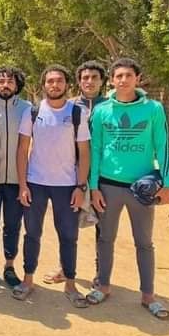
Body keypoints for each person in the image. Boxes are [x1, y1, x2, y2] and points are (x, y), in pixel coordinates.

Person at [87, 58, 169, 320]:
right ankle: (103, 286)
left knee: (144, 243)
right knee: (105, 239)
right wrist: (94, 187)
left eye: (128, 75)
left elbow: (163, 146)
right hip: (108, 186)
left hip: (141, 190)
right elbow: (95, 149)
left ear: (138, 78)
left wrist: (168, 184)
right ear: (112, 80)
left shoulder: (153, 109)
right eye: (118, 76)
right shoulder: (101, 110)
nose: (123, 80)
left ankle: (148, 296)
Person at [14, 64, 90, 308]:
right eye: (50, 81)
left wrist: (81, 187)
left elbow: (84, 152)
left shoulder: (77, 113)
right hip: (35, 183)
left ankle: (70, 284)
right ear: (43, 85)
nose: (54, 85)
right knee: (32, 234)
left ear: (67, 84)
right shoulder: (33, 112)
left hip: (67, 186)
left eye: (59, 81)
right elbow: (23, 149)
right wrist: (23, 185)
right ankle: (28, 280)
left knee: (68, 236)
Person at [43, 60, 107, 286]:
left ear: (102, 81)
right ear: (78, 82)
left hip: (103, 175)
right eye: (85, 78)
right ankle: (65, 268)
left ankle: (101, 274)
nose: (89, 81)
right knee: (67, 225)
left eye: (94, 77)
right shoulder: (69, 106)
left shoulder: (111, 107)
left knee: (103, 227)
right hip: (72, 174)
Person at [0, 66, 31, 289]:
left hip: (16, 180)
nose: (5, 85)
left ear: (17, 85)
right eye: (1, 81)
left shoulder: (27, 109)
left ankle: (9, 266)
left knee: (13, 225)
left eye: (10, 81)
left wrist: (24, 183)